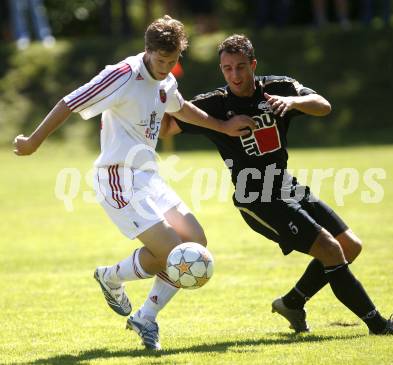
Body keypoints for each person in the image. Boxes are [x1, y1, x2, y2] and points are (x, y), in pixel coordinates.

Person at [13, 17, 255, 351]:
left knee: (196, 242)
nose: (165, 68)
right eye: (160, 61)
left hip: (147, 176)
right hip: (117, 178)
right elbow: (70, 102)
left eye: (172, 62)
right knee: (174, 253)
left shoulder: (166, 77)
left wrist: (222, 126)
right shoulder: (122, 75)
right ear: (147, 51)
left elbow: (180, 108)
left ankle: (137, 309)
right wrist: (34, 141)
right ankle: (119, 285)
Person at [160, 34, 393, 336]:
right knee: (331, 249)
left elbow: (323, 106)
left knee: (350, 246)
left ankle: (292, 303)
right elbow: (167, 126)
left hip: (285, 185)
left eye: (241, 67)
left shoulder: (278, 89)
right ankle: (379, 325)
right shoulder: (215, 104)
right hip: (255, 197)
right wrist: (212, 124)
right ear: (221, 69)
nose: (234, 75)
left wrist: (294, 101)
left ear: (253, 64)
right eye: (227, 68)